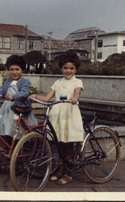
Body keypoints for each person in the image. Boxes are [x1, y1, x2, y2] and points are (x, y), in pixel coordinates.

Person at [0, 55, 38, 176]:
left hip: (19, 111)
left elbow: (24, 93)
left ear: (22, 70)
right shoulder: (7, 83)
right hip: (7, 112)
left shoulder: (25, 82)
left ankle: (22, 165)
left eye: (17, 69)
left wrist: (14, 96)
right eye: (11, 69)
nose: (14, 72)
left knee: (18, 139)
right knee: (4, 138)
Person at [29, 51, 84, 185]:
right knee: (59, 144)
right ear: (61, 68)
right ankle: (61, 170)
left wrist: (75, 98)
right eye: (65, 68)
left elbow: (77, 93)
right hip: (57, 114)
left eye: (71, 68)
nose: (68, 71)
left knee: (68, 144)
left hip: (69, 114)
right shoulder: (57, 82)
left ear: (76, 69)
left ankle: (68, 173)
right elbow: (47, 98)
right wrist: (35, 96)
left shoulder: (77, 82)